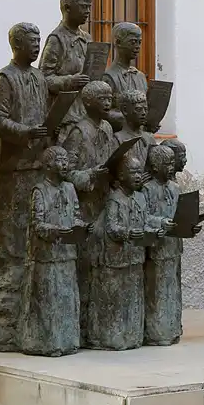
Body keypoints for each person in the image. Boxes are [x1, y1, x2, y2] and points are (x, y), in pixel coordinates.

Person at [0, 23, 50, 352]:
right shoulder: (6, 77)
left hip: (34, 165)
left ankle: (27, 295)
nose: (36, 47)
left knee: (29, 227)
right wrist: (27, 132)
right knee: (8, 229)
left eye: (38, 42)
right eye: (31, 43)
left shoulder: (38, 77)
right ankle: (6, 291)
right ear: (16, 45)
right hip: (9, 167)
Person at [86, 156, 164, 350]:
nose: (138, 177)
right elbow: (111, 227)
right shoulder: (115, 199)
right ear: (121, 176)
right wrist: (129, 233)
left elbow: (146, 219)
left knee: (133, 298)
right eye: (133, 172)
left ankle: (131, 336)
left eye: (139, 172)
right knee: (114, 299)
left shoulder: (139, 197)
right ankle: (111, 337)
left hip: (134, 256)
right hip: (116, 258)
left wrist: (160, 224)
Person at [61, 81, 117, 343]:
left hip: (105, 203)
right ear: (89, 102)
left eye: (110, 97)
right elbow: (67, 173)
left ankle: (99, 327)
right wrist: (90, 175)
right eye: (103, 98)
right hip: (84, 205)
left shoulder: (107, 128)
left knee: (102, 267)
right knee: (85, 266)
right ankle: (82, 328)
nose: (109, 102)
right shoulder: (77, 133)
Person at [20, 147, 86, 357]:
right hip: (46, 257)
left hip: (67, 254)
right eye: (60, 161)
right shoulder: (39, 191)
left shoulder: (70, 188)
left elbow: (75, 214)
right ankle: (47, 343)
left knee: (67, 299)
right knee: (48, 300)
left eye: (66, 160)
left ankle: (68, 341)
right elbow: (38, 224)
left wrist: (79, 227)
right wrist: (58, 231)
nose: (65, 165)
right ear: (48, 165)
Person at [143, 146, 184, 346]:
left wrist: (189, 226)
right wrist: (160, 222)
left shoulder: (175, 188)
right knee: (157, 290)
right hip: (156, 247)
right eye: (166, 164)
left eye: (171, 163)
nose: (171, 167)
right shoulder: (147, 189)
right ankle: (157, 332)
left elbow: (181, 215)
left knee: (172, 289)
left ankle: (173, 328)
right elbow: (142, 216)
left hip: (174, 246)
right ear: (155, 166)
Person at [39, 0, 92, 130]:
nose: (88, 11)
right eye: (83, 7)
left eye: (89, 7)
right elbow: (44, 79)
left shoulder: (87, 38)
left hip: (86, 112)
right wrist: (70, 81)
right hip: (65, 116)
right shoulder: (56, 39)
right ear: (67, 8)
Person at [103, 22, 147, 129]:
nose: (137, 47)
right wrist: (127, 118)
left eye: (139, 42)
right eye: (132, 42)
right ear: (118, 42)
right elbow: (103, 112)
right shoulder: (108, 77)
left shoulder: (140, 77)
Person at [114, 89, 157, 171]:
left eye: (145, 109)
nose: (144, 113)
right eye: (138, 109)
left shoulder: (149, 138)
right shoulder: (117, 139)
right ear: (125, 110)